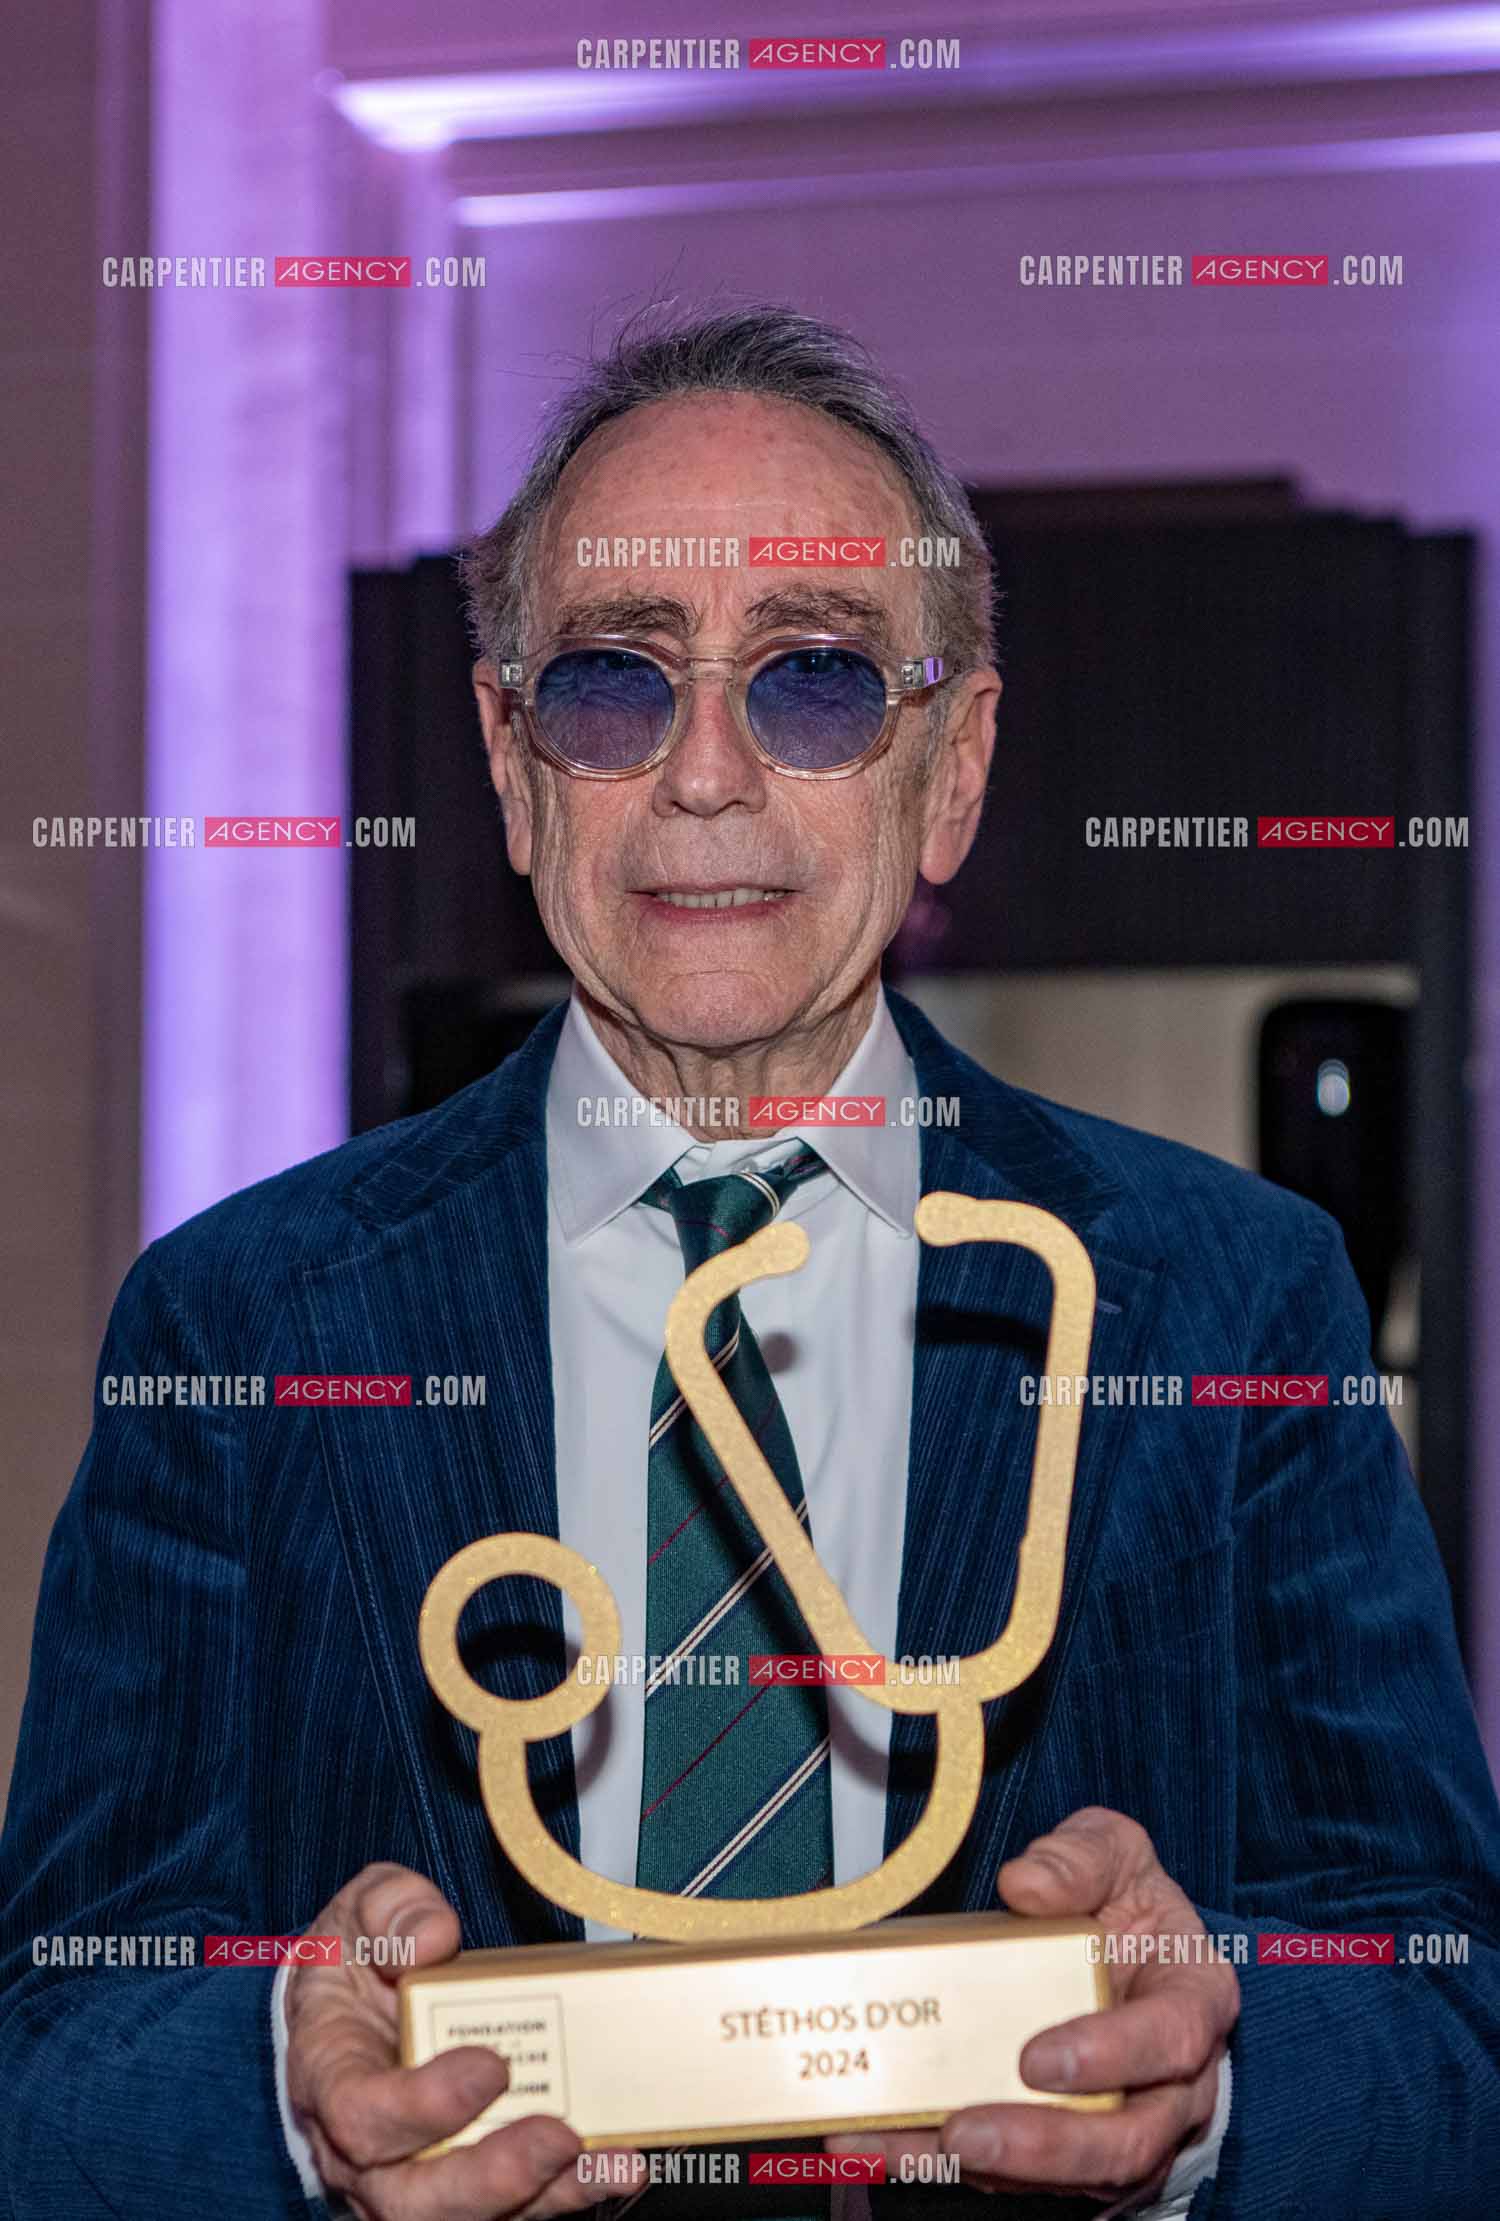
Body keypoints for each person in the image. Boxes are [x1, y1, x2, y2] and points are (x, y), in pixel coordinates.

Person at [2, 305, 1498, 2221]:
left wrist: (1209, 2089)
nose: (704, 772)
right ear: (514, 763)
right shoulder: (239, 1323)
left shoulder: (1224, 1301)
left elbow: (1447, 2014)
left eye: (812, 679)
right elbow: (47, 2052)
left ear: (950, 765)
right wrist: (280, 2098)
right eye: (616, 683)